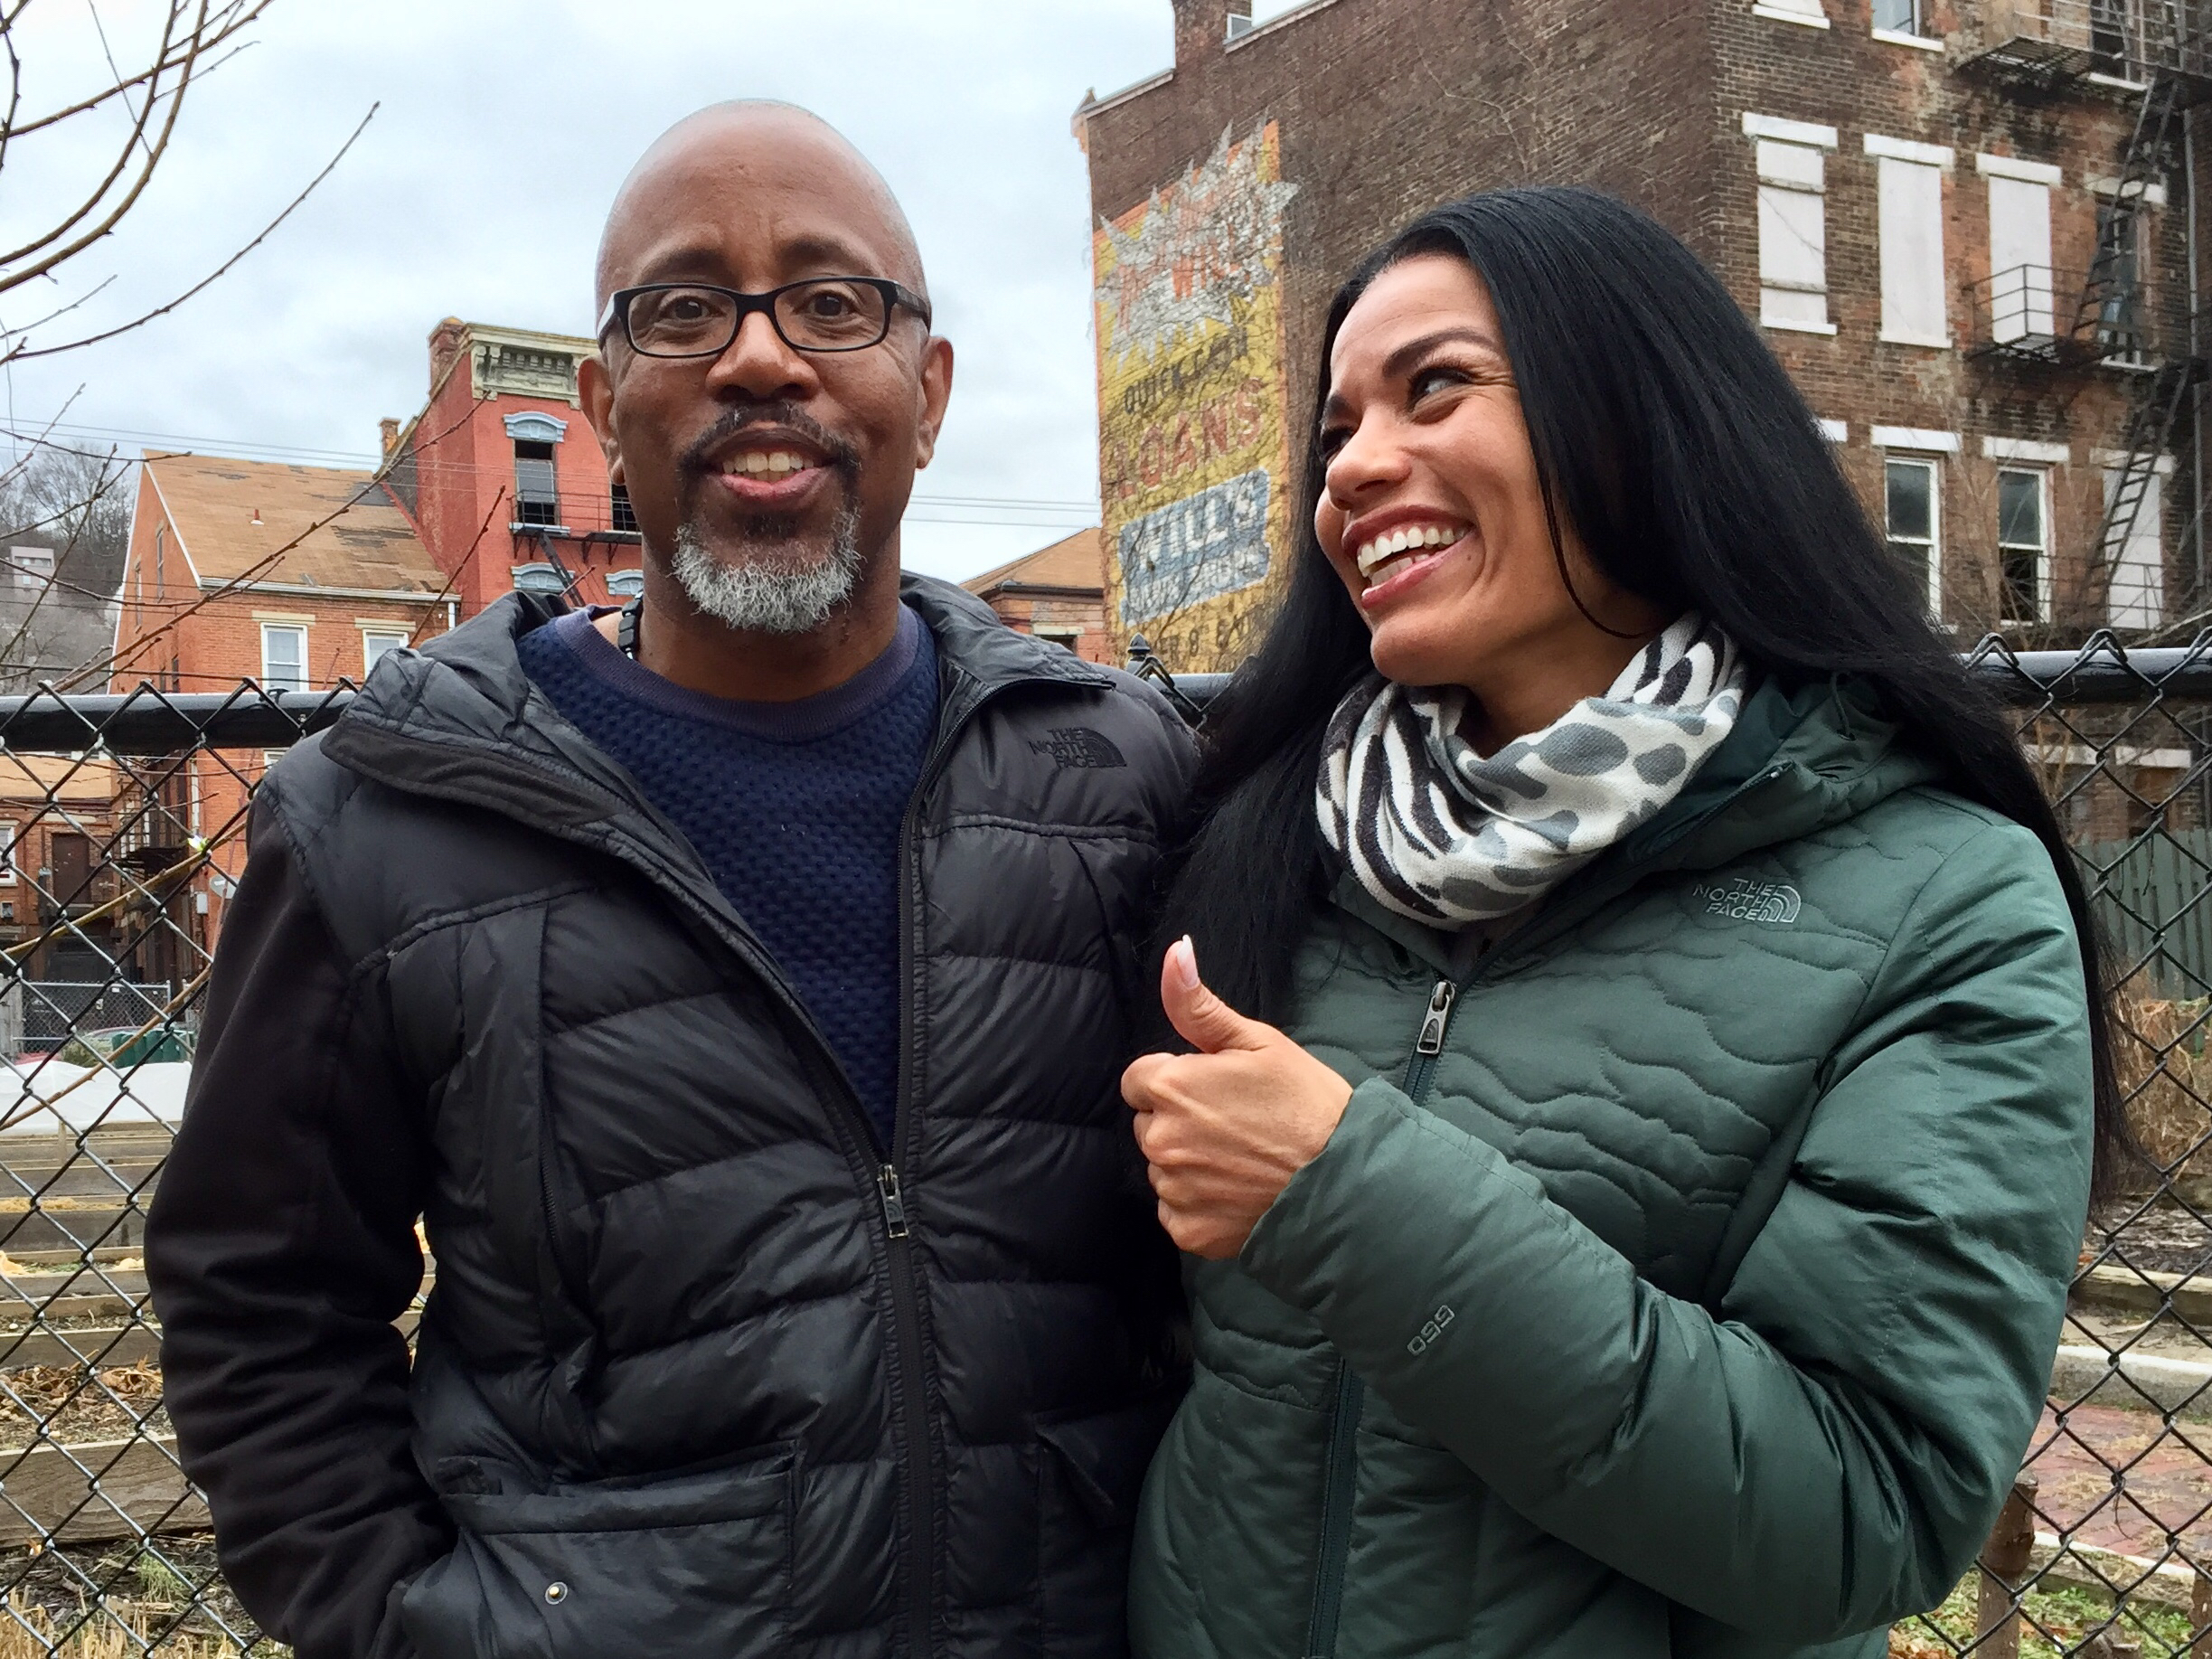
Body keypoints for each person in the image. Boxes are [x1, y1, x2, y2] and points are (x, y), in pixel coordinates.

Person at [146, 102, 1191, 1659]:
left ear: (933, 388)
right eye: (684, 308)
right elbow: (260, 1306)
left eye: (834, 304)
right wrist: (417, 1628)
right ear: (601, 398)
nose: (761, 356)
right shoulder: (376, 824)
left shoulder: (1123, 780)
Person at [1118, 186, 2111, 1659]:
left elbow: (1869, 1509)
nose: (1356, 468)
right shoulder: (1268, 844)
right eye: (1336, 431)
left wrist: (1347, 1198)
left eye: (1434, 387)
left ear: (1637, 416)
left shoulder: (1944, 900)